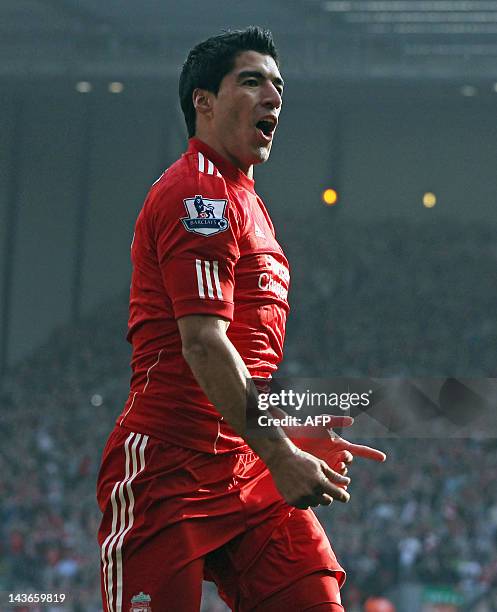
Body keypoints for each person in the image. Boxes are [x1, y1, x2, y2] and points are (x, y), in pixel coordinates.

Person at [97, 27, 385, 612]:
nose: (272, 95)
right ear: (203, 101)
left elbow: (247, 357)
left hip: (245, 464)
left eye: (277, 85)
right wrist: (280, 451)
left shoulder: (247, 201)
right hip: (167, 469)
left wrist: (279, 434)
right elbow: (203, 345)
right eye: (251, 81)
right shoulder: (196, 195)